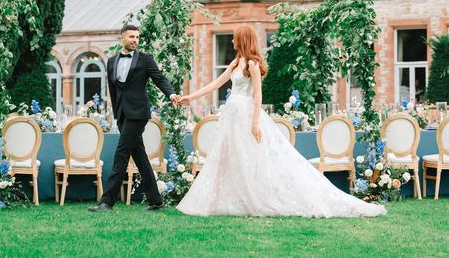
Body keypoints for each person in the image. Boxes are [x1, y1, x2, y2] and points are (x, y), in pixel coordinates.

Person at [176, 25, 386, 218]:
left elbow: (258, 95)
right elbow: (215, 84)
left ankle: (258, 198)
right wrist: (189, 97)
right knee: (227, 156)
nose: (232, 41)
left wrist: (255, 123)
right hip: (233, 115)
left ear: (243, 40)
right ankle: (217, 201)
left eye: (234, 38)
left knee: (255, 158)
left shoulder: (252, 64)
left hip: (247, 114)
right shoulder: (235, 63)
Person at [89, 24, 180, 211]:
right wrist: (116, 113)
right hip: (122, 114)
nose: (135, 40)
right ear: (122, 38)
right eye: (131, 37)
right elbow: (113, 91)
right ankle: (156, 201)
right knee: (139, 156)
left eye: (137, 37)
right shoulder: (112, 61)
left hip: (138, 114)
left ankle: (107, 202)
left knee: (121, 154)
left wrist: (171, 94)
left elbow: (160, 79)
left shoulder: (145, 59)